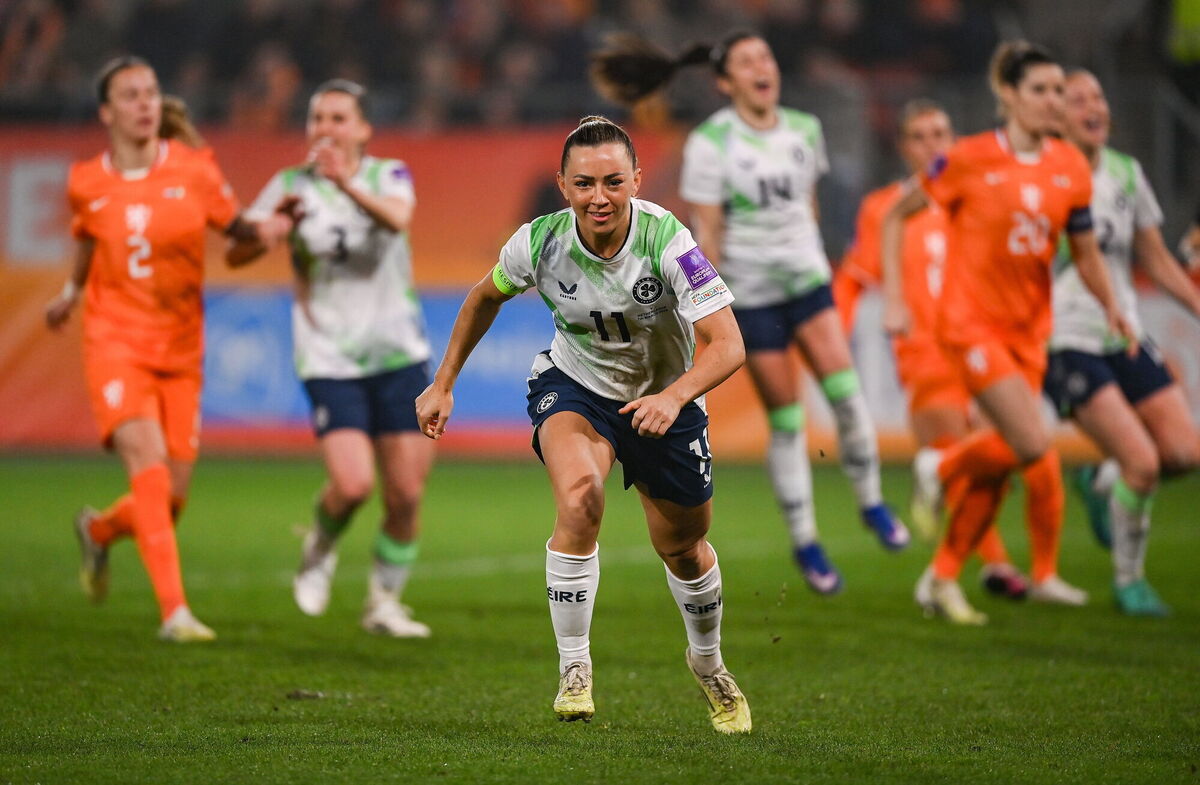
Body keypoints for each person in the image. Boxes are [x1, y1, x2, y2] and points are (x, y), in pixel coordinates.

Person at [415, 116, 751, 733]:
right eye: (585, 183)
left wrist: (674, 398)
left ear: (636, 181)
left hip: (664, 402)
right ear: (563, 186)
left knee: (683, 547)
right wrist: (443, 383)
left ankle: (708, 663)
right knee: (581, 498)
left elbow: (728, 345)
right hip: (576, 386)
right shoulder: (538, 242)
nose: (600, 197)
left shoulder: (669, 242)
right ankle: (575, 669)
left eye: (614, 182)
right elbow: (482, 297)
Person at [590, 31, 909, 597]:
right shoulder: (713, 142)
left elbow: (806, 205)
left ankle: (872, 503)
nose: (762, 67)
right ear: (725, 81)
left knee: (848, 396)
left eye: (766, 56)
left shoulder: (804, 130)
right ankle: (807, 541)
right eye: (746, 62)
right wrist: (700, 296)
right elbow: (707, 226)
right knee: (787, 420)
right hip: (754, 297)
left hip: (808, 284)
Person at [883, 41, 1136, 624]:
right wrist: (895, 295)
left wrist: (1114, 306)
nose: (1056, 101)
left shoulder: (1069, 166)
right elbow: (900, 213)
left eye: (1059, 91)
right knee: (1031, 445)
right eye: (1043, 90)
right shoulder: (969, 157)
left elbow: (1087, 253)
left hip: (1030, 332)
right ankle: (937, 469)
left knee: (999, 466)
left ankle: (941, 578)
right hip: (970, 325)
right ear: (1009, 95)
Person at [45, 56, 293, 641]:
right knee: (150, 472)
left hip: (181, 350)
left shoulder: (194, 169)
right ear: (107, 112)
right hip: (114, 344)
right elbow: (87, 237)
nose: (145, 103)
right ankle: (174, 613)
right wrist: (71, 291)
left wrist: (275, 229)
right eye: (130, 95)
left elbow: (237, 231)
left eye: (151, 92)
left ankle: (100, 531)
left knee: (171, 500)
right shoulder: (86, 179)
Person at [228, 80, 435, 638]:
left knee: (406, 492)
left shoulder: (387, 174)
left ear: (363, 128)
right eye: (318, 117)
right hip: (329, 356)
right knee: (351, 485)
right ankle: (319, 545)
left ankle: (383, 603)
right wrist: (269, 229)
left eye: (339, 118)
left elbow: (396, 220)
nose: (325, 127)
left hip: (398, 353)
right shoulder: (289, 185)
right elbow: (236, 250)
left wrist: (344, 184)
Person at [834, 99, 1030, 603]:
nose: (933, 144)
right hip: (925, 349)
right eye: (919, 136)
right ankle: (989, 566)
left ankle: (952, 553)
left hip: (986, 342)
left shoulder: (976, 195)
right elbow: (854, 279)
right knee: (953, 449)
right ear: (903, 147)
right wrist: (837, 338)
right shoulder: (884, 207)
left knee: (997, 457)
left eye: (942, 132)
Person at [1045, 69, 1200, 616]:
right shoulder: (1044, 175)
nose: (1095, 106)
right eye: (1079, 98)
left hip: (1125, 332)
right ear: (1058, 115)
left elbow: (1154, 257)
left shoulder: (1126, 174)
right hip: (1067, 338)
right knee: (1145, 462)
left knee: (1184, 453)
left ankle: (1101, 477)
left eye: (1099, 95)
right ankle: (1129, 581)